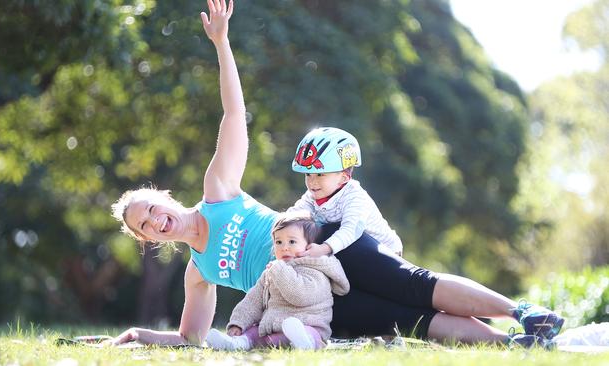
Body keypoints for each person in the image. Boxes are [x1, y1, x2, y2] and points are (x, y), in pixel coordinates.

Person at [107, 0, 564, 348]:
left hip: (330, 243)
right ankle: (514, 345)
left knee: (415, 287)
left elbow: (233, 114)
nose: (154, 220)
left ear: (163, 196)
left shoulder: (218, 192)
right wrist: (138, 335)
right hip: (313, 303)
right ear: (148, 238)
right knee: (410, 321)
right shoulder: (198, 273)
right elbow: (192, 340)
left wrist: (221, 44)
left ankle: (522, 312)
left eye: (151, 208)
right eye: (143, 225)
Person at [205, 213, 349, 350]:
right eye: (278, 242)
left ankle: (306, 342)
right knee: (253, 333)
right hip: (273, 328)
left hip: (308, 324)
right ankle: (237, 343)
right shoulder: (272, 271)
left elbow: (300, 296)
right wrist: (238, 323)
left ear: (309, 246)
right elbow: (252, 301)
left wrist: (279, 270)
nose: (284, 247)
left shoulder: (316, 268)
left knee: (308, 333)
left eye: (292, 241)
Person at [288, 126, 403, 257]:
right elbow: (294, 215)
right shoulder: (312, 196)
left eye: (320, 174)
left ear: (343, 177)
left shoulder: (354, 196)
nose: (312, 181)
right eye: (308, 174)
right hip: (352, 248)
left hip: (385, 251)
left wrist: (324, 249)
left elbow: (351, 230)